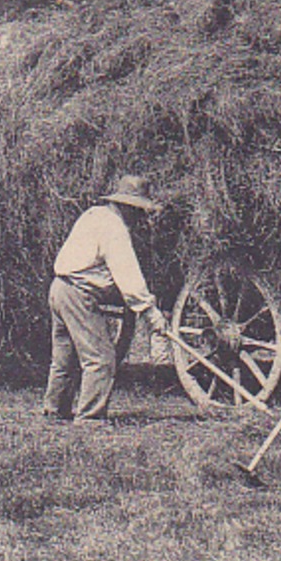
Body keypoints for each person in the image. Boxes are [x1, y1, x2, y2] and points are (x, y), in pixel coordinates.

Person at [44, 174, 169, 422]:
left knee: (64, 358)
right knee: (100, 359)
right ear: (127, 206)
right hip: (79, 294)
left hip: (59, 288)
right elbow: (128, 276)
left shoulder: (92, 214)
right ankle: (90, 419)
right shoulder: (115, 229)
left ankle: (54, 411)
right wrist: (150, 312)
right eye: (138, 211)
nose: (140, 218)